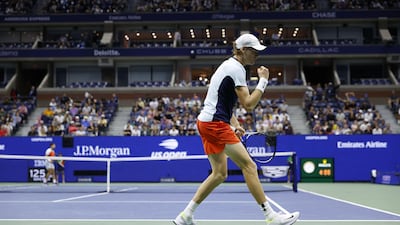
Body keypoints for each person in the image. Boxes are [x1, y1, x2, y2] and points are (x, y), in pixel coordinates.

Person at [173, 33, 299, 225]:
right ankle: (270, 216)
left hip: (207, 122)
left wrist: (235, 124)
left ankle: (185, 216)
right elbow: (249, 104)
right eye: (254, 51)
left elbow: (221, 102)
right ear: (242, 50)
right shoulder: (236, 69)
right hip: (214, 123)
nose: (257, 55)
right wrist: (264, 81)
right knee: (249, 166)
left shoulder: (229, 66)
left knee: (219, 174)